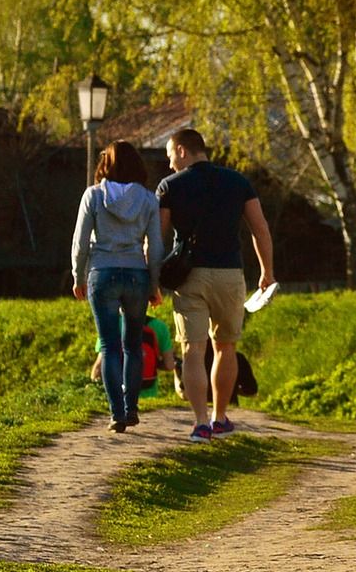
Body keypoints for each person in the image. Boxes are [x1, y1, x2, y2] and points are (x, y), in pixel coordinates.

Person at [156, 127, 275, 441]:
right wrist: (267, 272)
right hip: (229, 274)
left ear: (182, 150)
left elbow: (156, 239)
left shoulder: (169, 186)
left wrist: (152, 280)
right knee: (226, 347)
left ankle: (199, 424)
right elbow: (260, 229)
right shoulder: (238, 182)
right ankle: (220, 417)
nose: (169, 165)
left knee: (193, 350)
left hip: (189, 276)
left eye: (170, 156)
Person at [72, 139, 163, 433]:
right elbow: (156, 245)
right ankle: (132, 407)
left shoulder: (93, 196)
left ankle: (117, 413)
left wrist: (78, 276)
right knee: (133, 346)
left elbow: (80, 242)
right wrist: (155, 282)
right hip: (137, 275)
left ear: (105, 164)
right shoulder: (149, 200)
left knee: (110, 347)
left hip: (103, 271)